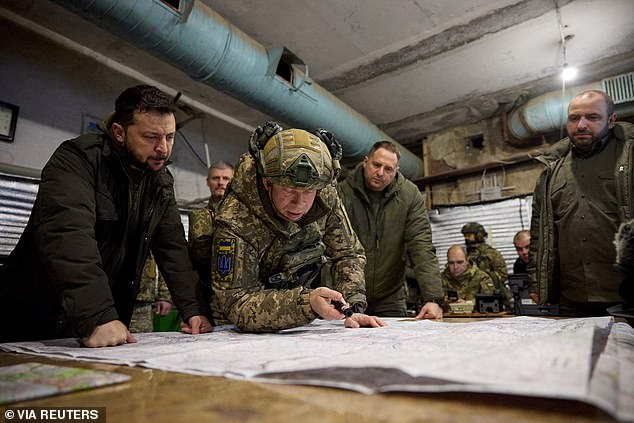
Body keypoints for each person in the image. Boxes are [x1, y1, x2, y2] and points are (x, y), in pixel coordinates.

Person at [0, 85, 212, 346]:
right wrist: (97, 315)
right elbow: (68, 236)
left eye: (169, 137)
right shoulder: (78, 160)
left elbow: (173, 250)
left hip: (97, 326)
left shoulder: (159, 182)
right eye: (151, 137)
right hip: (34, 318)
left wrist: (194, 309)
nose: (163, 149)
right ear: (119, 132)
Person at [211, 122, 385, 332]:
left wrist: (352, 306)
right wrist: (306, 303)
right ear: (267, 182)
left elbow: (348, 253)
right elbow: (236, 301)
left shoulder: (324, 192)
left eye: (308, 192)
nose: (299, 203)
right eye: (288, 190)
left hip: (295, 318)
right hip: (233, 324)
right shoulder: (236, 217)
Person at [530, 89, 634, 317]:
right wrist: (538, 283)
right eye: (574, 118)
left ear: (611, 120)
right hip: (573, 299)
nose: (581, 125)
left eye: (592, 117)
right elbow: (540, 231)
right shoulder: (551, 169)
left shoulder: (629, 155)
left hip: (625, 296)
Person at [338, 140, 444, 318]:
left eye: (388, 169)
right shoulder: (341, 192)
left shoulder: (410, 196)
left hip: (389, 294)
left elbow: (422, 247)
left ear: (397, 171)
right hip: (345, 291)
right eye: (376, 165)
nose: (380, 173)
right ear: (365, 162)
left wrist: (434, 299)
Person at [188, 161, 234, 308]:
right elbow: (191, 260)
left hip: (237, 295)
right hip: (206, 296)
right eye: (216, 178)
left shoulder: (246, 218)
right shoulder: (199, 218)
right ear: (208, 182)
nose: (220, 183)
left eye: (226, 178)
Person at [461, 222, 511, 303]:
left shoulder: (491, 254)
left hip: (489, 291)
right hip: (470, 293)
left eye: (469, 235)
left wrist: (485, 277)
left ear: (478, 235)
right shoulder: (463, 253)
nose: (466, 238)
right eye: (465, 236)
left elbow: (503, 275)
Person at [129, 253, 173, 333]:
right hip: (110, 299)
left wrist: (164, 295)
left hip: (143, 299)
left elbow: (164, 260)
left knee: (141, 341)